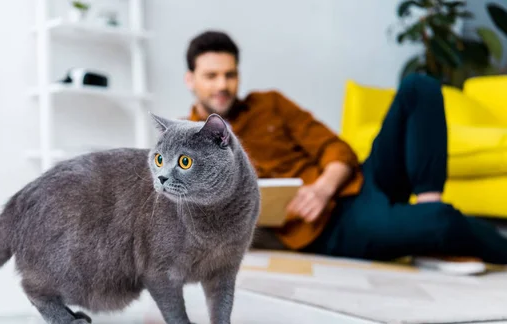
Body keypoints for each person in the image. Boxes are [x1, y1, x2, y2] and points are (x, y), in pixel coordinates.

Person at [182, 30, 507, 275]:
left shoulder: (270, 103)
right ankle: (432, 225)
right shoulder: (186, 144)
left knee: (418, 86)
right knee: (443, 222)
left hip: (356, 183)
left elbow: (336, 148)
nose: (222, 85)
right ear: (191, 80)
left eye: (229, 74)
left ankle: (427, 205)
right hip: (331, 228)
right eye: (211, 76)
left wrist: (323, 187)